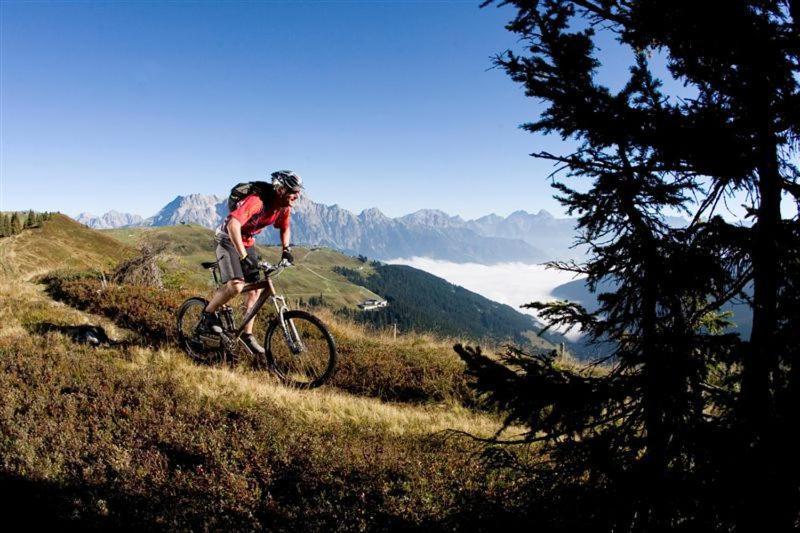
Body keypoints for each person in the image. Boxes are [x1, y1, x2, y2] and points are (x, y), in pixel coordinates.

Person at [197, 170, 303, 354]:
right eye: (292, 191)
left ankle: (247, 336)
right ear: (280, 189)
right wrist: (243, 256)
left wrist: (286, 250)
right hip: (227, 239)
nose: (297, 195)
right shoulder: (257, 201)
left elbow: (285, 228)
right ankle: (207, 314)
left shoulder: (284, 207)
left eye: (298, 191)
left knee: (255, 289)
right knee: (237, 286)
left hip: (247, 241)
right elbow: (233, 225)